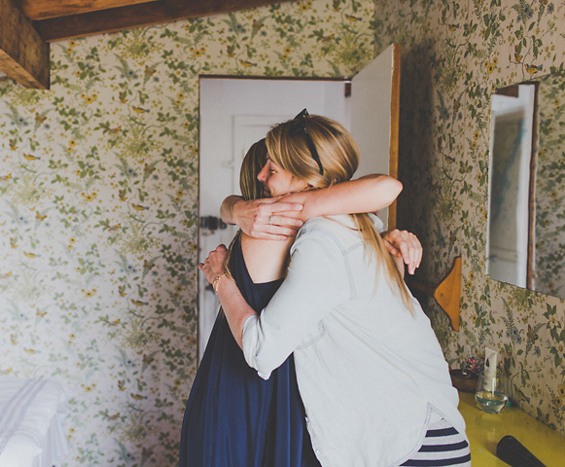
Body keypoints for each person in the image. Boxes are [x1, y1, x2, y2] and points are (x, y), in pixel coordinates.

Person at [199, 111, 469, 467]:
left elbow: (262, 350)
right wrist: (236, 208)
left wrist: (220, 278)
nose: (263, 177)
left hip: (407, 445)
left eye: (273, 169)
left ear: (306, 179)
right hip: (427, 431)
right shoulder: (363, 225)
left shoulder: (325, 239)